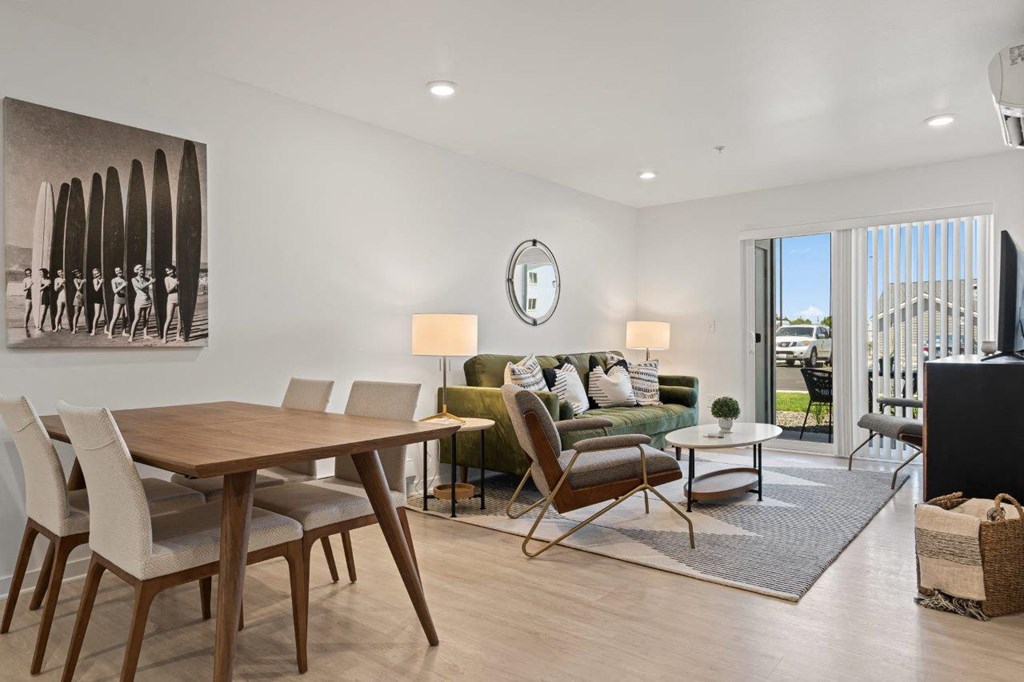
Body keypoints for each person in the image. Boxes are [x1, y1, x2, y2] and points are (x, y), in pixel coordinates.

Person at [128, 264, 154, 343]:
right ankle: (131, 336)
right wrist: (150, 282)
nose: (142, 272)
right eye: (140, 270)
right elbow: (141, 287)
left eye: (143, 270)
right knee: (137, 319)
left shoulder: (145, 279)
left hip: (148, 301)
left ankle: (145, 335)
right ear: (137, 271)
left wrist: (151, 280)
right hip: (139, 301)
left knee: (146, 319)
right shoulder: (134, 279)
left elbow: (150, 288)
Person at [106, 267, 129, 339]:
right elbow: (115, 291)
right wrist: (123, 285)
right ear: (115, 272)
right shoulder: (114, 280)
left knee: (126, 315)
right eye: (117, 271)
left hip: (125, 298)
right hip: (118, 298)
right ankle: (110, 333)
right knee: (115, 316)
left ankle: (123, 332)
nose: (119, 272)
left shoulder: (124, 279)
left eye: (120, 270)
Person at [162, 265, 182, 343]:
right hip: (171, 300)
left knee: (180, 319)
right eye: (167, 271)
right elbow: (168, 290)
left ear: (173, 269)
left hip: (180, 300)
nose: (168, 272)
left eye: (170, 270)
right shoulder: (166, 278)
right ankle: (164, 338)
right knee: (169, 319)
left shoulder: (178, 277)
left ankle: (178, 336)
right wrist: (175, 284)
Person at [89, 268, 105, 335]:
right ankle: (93, 330)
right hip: (97, 298)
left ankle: (106, 329)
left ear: (100, 272)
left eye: (97, 273)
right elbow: (96, 289)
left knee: (106, 314)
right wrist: (100, 282)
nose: (97, 275)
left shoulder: (103, 278)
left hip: (104, 297)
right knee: (97, 314)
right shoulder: (95, 280)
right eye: (95, 274)